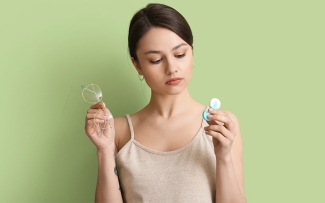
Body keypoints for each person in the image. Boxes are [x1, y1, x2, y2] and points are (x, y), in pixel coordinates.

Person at [84, 3, 246, 203]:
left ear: (192, 53)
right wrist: (104, 150)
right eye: (156, 60)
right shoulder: (117, 131)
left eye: (180, 55)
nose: (172, 68)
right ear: (137, 65)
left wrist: (223, 157)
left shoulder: (222, 125)